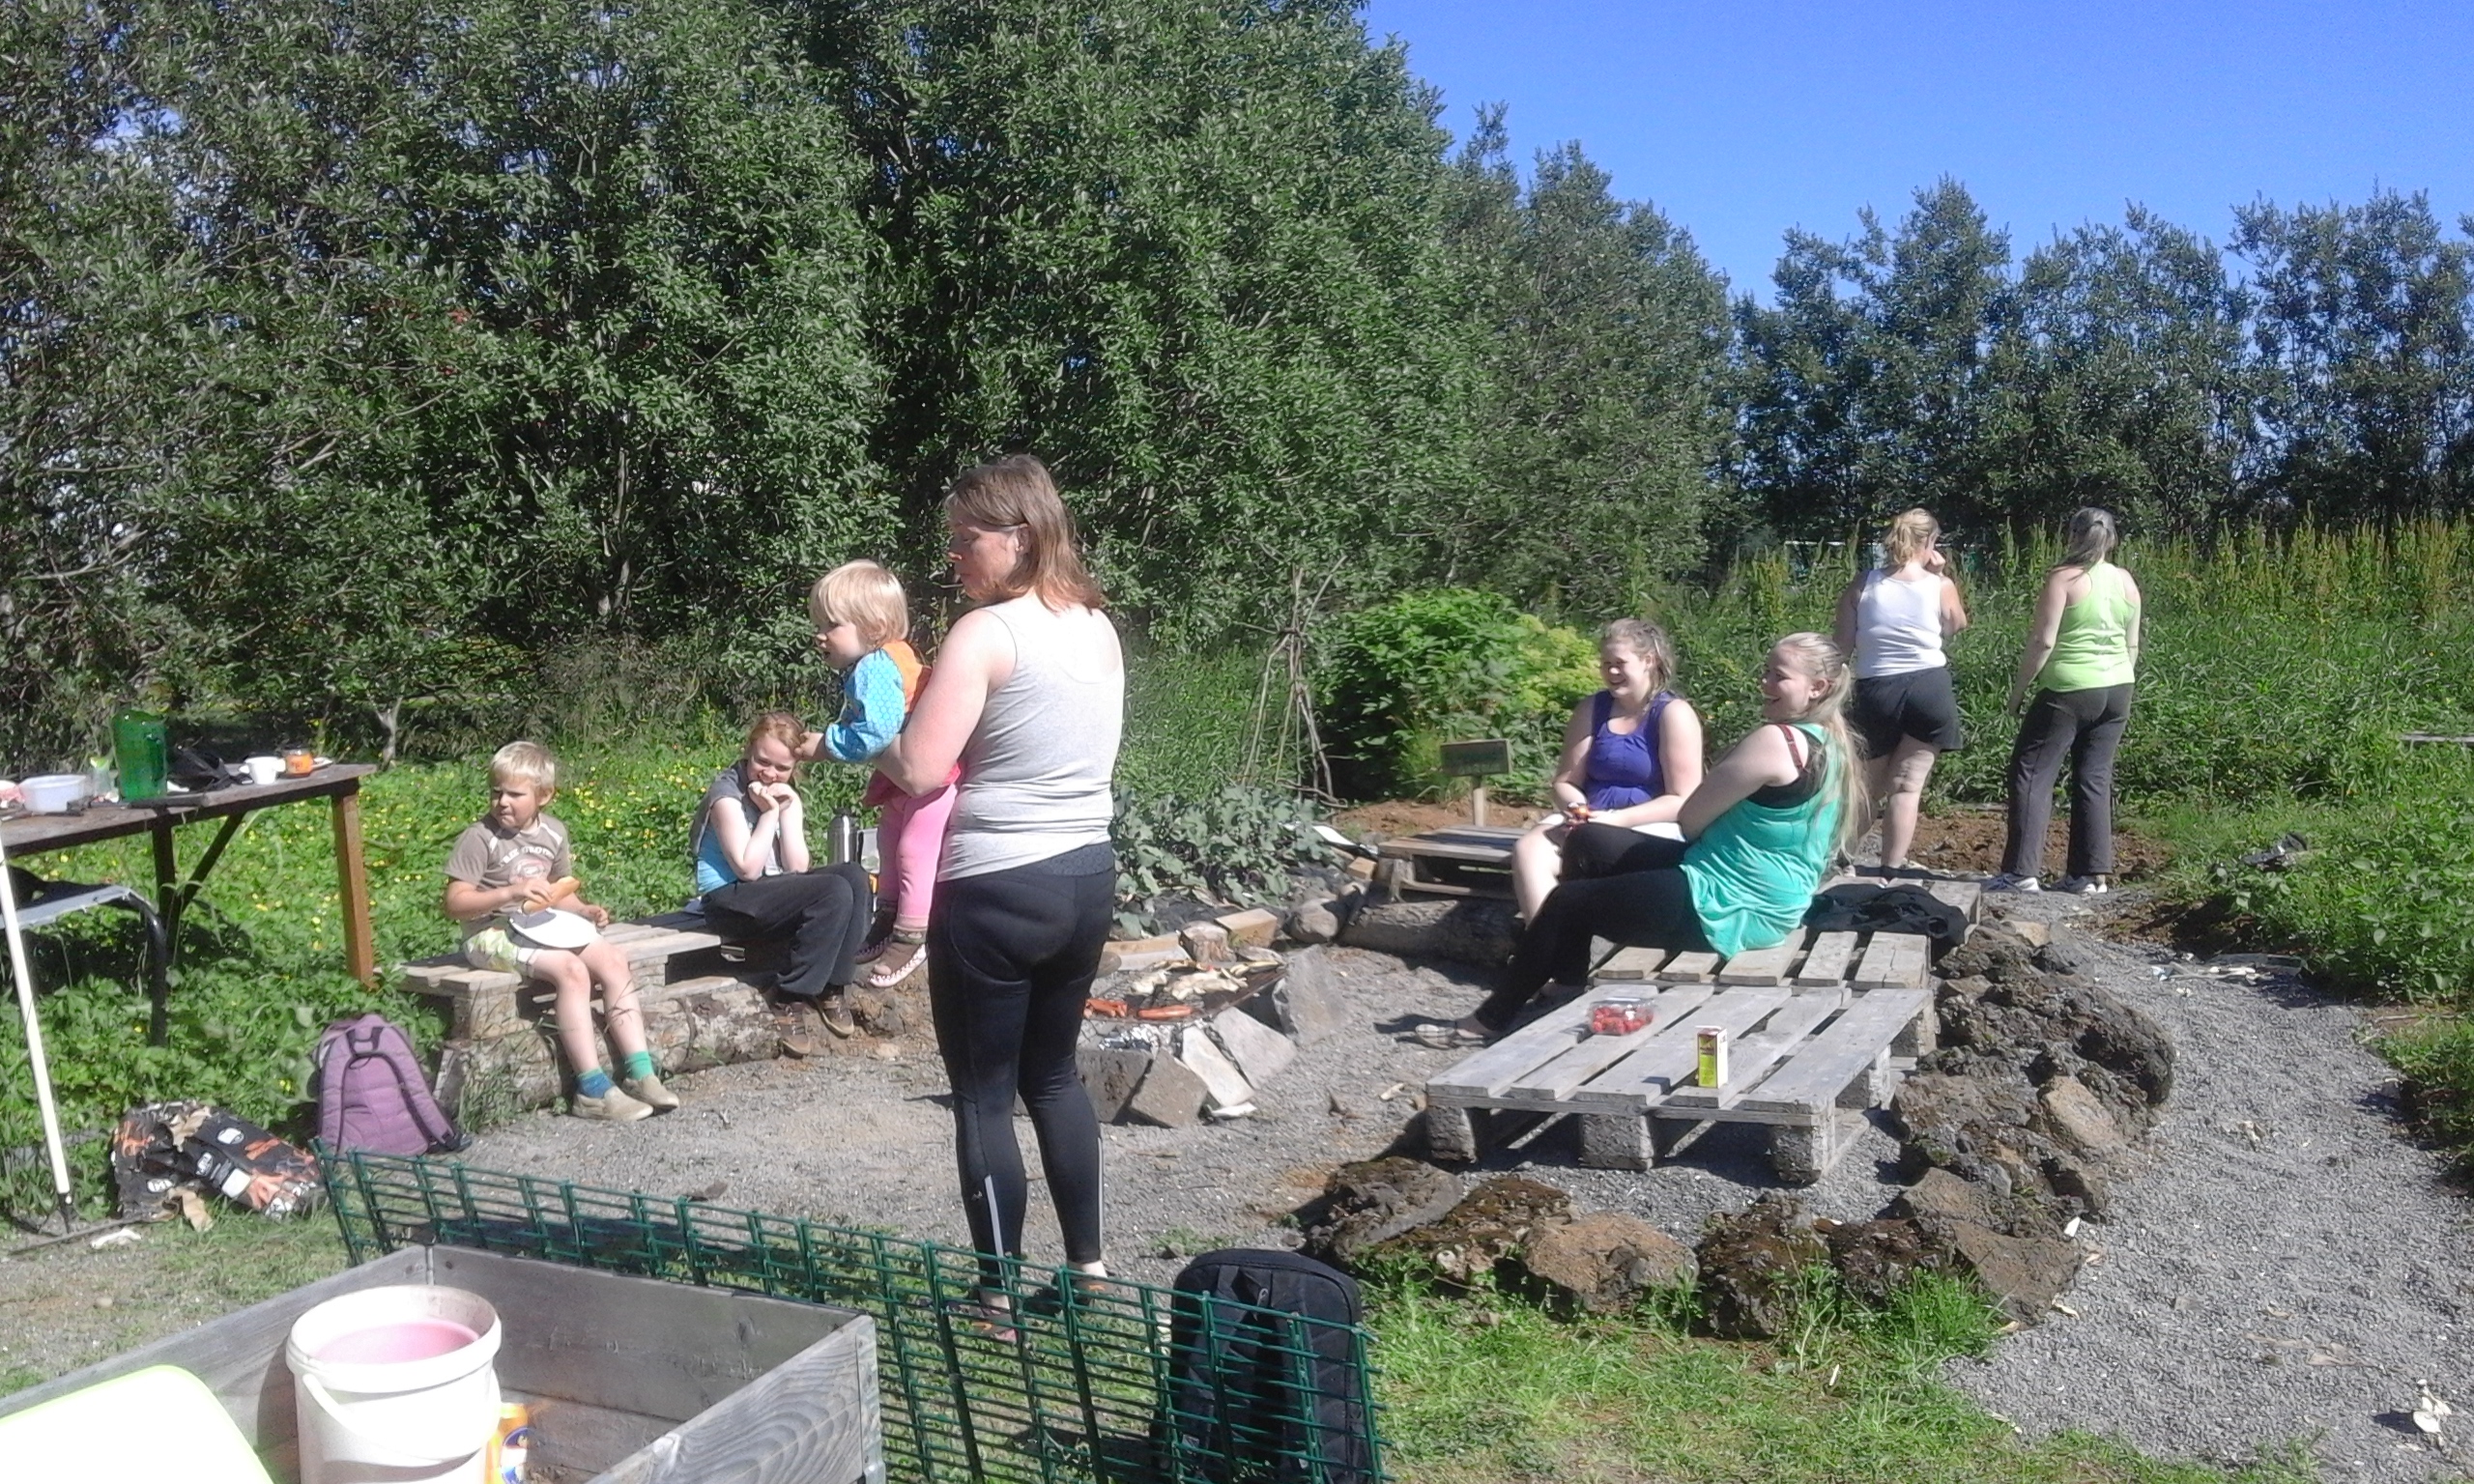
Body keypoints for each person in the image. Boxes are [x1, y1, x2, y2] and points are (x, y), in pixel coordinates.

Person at [875, 453, 1123, 1328]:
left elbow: (921, 765)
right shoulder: (1096, 624)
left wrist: (867, 742)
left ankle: (995, 1294)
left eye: (964, 538)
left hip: (998, 886)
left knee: (983, 1095)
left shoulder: (984, 633)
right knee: (1053, 1077)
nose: (952, 555)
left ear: (1019, 535)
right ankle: (1089, 1270)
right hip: (1086, 876)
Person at [1418, 634, 1866, 1046]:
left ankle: (1490, 1020)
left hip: (1731, 904)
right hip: (1751, 886)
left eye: (1778, 676)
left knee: (1567, 902)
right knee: (1587, 840)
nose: (1763, 683)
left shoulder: (1775, 740)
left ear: (1818, 688)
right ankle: (1568, 983)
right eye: (1765, 671)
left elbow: (1691, 818)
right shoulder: (1830, 740)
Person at [444, 741, 676, 1121]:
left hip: (538, 925)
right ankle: (592, 1090)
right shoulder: (480, 837)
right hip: (489, 932)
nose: (502, 802)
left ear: (544, 795)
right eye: (496, 792)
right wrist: (509, 893)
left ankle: (640, 1072)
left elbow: (558, 892)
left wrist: (583, 909)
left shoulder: (553, 832)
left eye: (514, 794)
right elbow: (454, 903)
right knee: (571, 971)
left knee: (613, 960)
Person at [798, 559, 958, 990]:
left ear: (873, 627)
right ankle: (888, 915)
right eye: (819, 625)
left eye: (832, 625)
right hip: (909, 779)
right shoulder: (878, 662)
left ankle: (912, 932)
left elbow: (875, 732)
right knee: (888, 841)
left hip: (932, 777)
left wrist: (825, 745)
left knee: (912, 850)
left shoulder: (875, 666)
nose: (820, 635)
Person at [694, 712, 876, 1046]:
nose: (770, 773)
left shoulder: (784, 793)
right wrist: (769, 814)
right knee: (832, 890)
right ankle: (788, 995)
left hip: (768, 894)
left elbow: (797, 867)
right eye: (762, 762)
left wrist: (789, 808)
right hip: (728, 901)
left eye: (782, 768)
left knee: (853, 876)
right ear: (749, 751)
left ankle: (832, 986)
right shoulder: (726, 796)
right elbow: (747, 869)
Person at [1510, 619, 1704, 923]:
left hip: (1650, 826)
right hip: (1590, 819)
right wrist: (1577, 808)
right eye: (1606, 664)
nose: (1612, 672)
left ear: (1648, 661)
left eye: (1620, 663)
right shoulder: (1591, 709)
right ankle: (1546, 940)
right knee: (1529, 849)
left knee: (1596, 849)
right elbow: (1564, 781)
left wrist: (1614, 821)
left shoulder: (1673, 713)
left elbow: (1684, 798)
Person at [1991, 507, 2141, 895]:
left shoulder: (2063, 578)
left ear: (2073, 535)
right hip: (2118, 687)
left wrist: (2019, 692)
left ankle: (2021, 872)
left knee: (2031, 771)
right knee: (2094, 776)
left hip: (2069, 687)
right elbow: (2132, 644)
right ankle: (2089, 875)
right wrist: (2117, 678)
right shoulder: (2126, 580)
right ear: (2112, 539)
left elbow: (2044, 641)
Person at [1833, 508, 1970, 874]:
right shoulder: (1939, 585)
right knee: (1907, 787)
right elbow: (1956, 624)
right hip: (1929, 688)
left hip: (1875, 689)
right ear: (1931, 542)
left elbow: (1841, 647)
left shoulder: (1864, 584)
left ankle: (1841, 860)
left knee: (1866, 788)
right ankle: (1890, 871)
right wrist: (1940, 575)